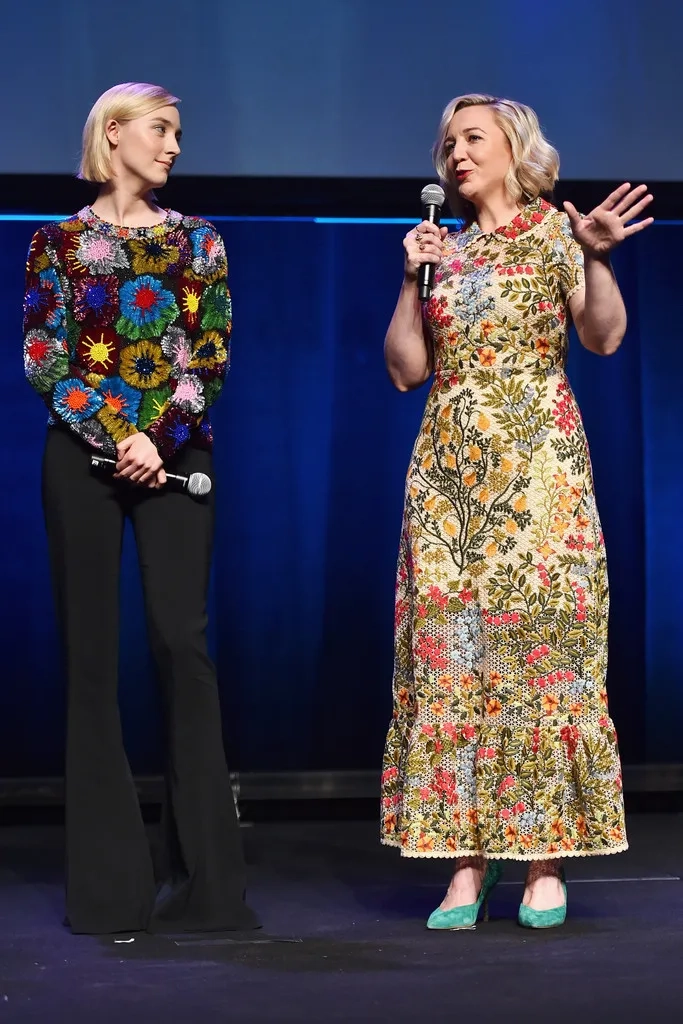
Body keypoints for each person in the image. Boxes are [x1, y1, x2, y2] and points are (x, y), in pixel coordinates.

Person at [380, 94, 653, 929]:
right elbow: (402, 370)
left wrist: (596, 260)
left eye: (472, 139)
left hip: (538, 472)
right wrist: (406, 279)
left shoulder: (555, 237)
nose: (455, 155)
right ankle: (463, 865)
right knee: (453, 654)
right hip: (450, 475)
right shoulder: (441, 252)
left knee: (542, 652)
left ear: (512, 149)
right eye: (447, 144)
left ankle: (543, 862)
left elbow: (604, 338)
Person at [23, 82, 259, 935]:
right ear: (112, 133)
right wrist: (113, 435)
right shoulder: (56, 242)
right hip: (82, 460)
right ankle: (109, 889)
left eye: (179, 135)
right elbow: (47, 358)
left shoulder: (200, 242)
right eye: (161, 131)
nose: (173, 148)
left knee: (179, 645)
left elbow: (211, 352)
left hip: (176, 456)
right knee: (90, 664)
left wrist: (157, 437)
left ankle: (208, 889)